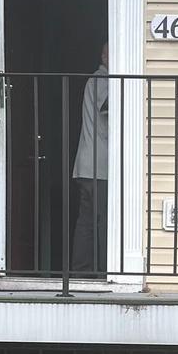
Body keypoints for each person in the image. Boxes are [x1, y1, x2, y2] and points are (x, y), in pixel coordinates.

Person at [70, 41, 110, 276]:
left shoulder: (96, 81)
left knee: (87, 221)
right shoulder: (101, 80)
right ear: (104, 56)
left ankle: (82, 270)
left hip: (89, 165)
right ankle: (106, 270)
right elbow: (110, 106)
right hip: (99, 166)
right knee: (102, 221)